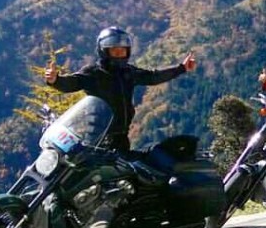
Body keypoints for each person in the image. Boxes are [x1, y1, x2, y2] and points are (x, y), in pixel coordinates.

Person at [44, 26, 197, 152]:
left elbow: (153, 76)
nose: (119, 55)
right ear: (104, 51)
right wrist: (55, 80)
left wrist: (181, 68)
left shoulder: (128, 72)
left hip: (122, 138)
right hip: (97, 139)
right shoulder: (93, 73)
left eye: (123, 51)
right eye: (115, 51)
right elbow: (73, 82)